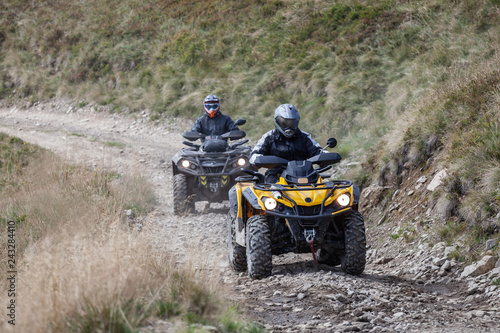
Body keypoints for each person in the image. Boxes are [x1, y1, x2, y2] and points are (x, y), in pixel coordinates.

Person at [250, 103, 324, 183]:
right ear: (277, 121)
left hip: (305, 174)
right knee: (270, 192)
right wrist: (259, 158)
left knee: (324, 189)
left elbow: (317, 151)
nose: (289, 127)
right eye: (285, 123)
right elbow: (254, 154)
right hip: (276, 174)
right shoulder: (268, 137)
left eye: (292, 123)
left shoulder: (305, 137)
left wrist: (325, 155)